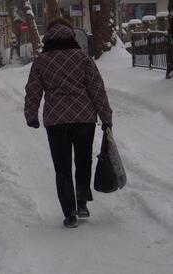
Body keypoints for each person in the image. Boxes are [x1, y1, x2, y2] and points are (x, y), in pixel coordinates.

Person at [24, 17, 113, 228]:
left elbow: (33, 90)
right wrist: (106, 118)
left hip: (56, 121)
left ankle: (70, 214)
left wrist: (31, 115)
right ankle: (82, 203)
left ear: (48, 35)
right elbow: (97, 89)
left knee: (62, 168)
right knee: (83, 161)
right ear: (71, 33)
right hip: (84, 119)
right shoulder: (83, 58)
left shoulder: (41, 61)